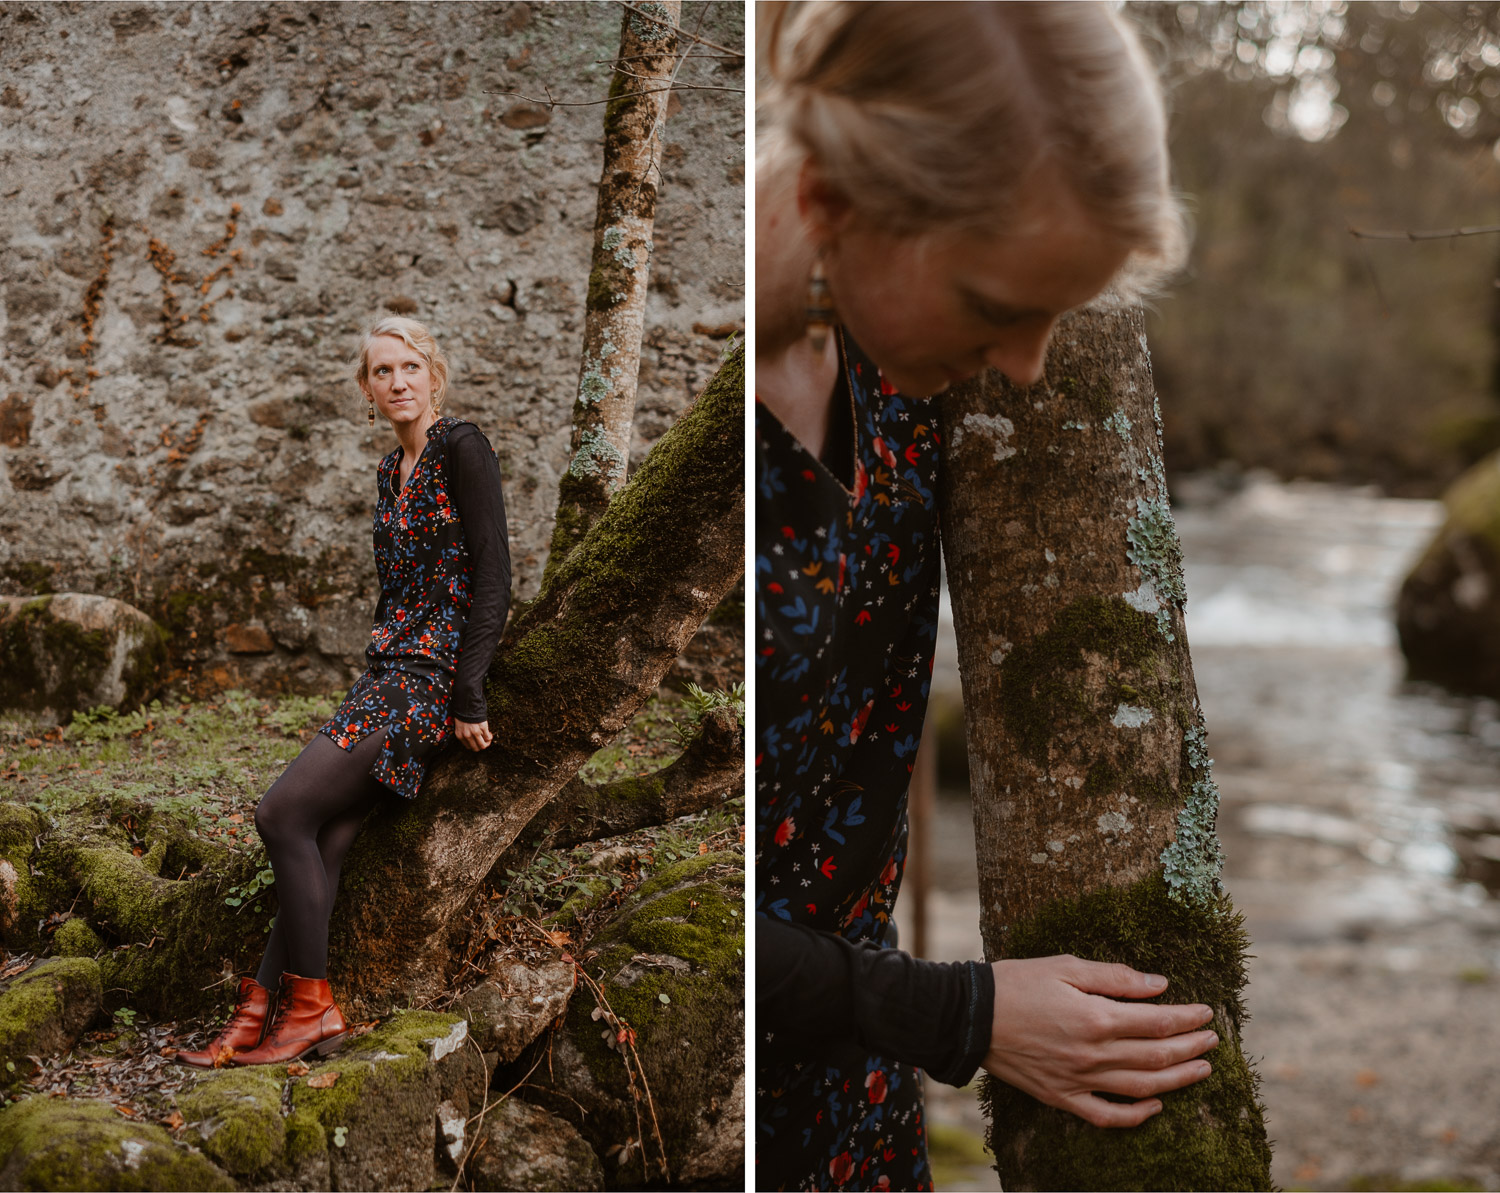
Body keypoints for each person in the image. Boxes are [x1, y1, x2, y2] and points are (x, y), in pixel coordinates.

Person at [754, 4, 1214, 1188]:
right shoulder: (709, 447)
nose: (1024, 367)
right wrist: (964, 1013)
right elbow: (659, 905)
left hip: (856, 1095)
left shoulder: (893, 359)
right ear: (832, 206)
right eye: (1001, 308)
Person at [178, 316, 510, 1068]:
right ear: (366, 389)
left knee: (280, 812)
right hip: (384, 675)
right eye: (381, 372)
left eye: (408, 367)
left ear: (434, 373)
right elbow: (394, 595)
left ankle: (312, 1006)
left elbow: (494, 573)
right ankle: (255, 1012)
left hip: (422, 688)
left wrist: (470, 694)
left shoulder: (464, 447)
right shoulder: (389, 473)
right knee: (324, 840)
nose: (397, 382)